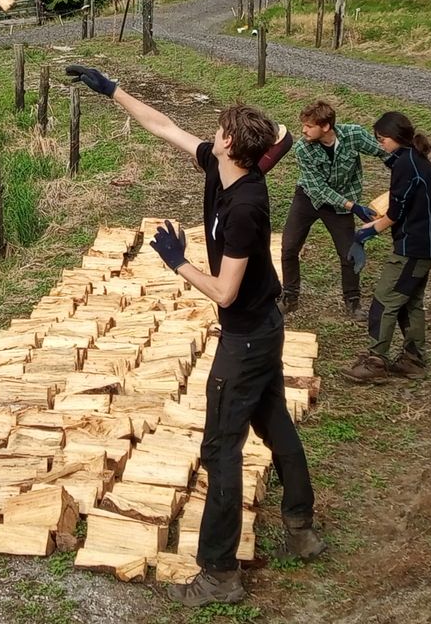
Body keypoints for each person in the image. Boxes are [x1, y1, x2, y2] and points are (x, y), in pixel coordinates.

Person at [63, 64, 324, 606]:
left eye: (219, 128)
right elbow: (163, 125)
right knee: (274, 420)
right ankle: (301, 526)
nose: (210, 132)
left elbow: (225, 292)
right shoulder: (221, 167)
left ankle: (219, 575)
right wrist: (110, 88)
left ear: (231, 144)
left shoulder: (247, 205)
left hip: (247, 336)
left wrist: (178, 263)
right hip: (263, 329)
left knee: (221, 449)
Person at [344, 111, 431, 384]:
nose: (380, 145)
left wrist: (365, 233)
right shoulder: (413, 160)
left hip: (414, 247)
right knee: (409, 301)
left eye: (382, 139)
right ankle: (413, 360)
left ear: (396, 138)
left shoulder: (407, 165)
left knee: (385, 299)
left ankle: (376, 360)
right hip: (426, 244)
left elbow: (395, 212)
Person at [282, 100, 385, 319]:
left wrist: (404, 172)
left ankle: (353, 302)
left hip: (341, 204)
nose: (303, 130)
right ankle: (290, 297)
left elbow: (383, 151)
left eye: (309, 126)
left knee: (349, 253)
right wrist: (354, 206)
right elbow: (318, 189)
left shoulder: (353, 135)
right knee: (289, 247)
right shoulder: (302, 148)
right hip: (309, 199)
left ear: (326, 126)